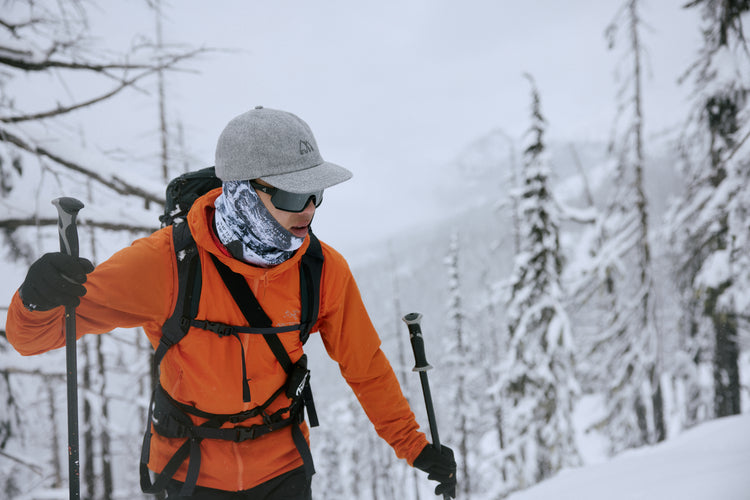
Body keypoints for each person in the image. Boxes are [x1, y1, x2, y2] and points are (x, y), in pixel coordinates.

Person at [6, 106, 457, 499]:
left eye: (317, 194)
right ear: (243, 192)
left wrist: (412, 445)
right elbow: (31, 338)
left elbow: (365, 365)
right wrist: (35, 297)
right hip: (189, 471)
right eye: (293, 195)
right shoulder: (166, 264)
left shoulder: (321, 270)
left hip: (285, 470)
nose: (310, 211)